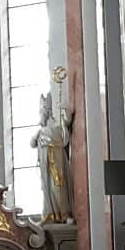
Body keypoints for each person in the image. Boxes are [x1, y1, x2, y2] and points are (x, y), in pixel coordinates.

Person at [30, 90, 74, 222]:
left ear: (48, 112)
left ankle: (63, 213)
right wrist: (36, 135)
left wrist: (64, 113)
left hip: (57, 162)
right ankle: (51, 214)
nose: (41, 115)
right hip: (45, 166)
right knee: (47, 190)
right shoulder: (41, 131)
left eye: (42, 112)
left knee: (57, 187)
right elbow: (32, 144)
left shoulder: (55, 126)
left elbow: (65, 139)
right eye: (41, 112)